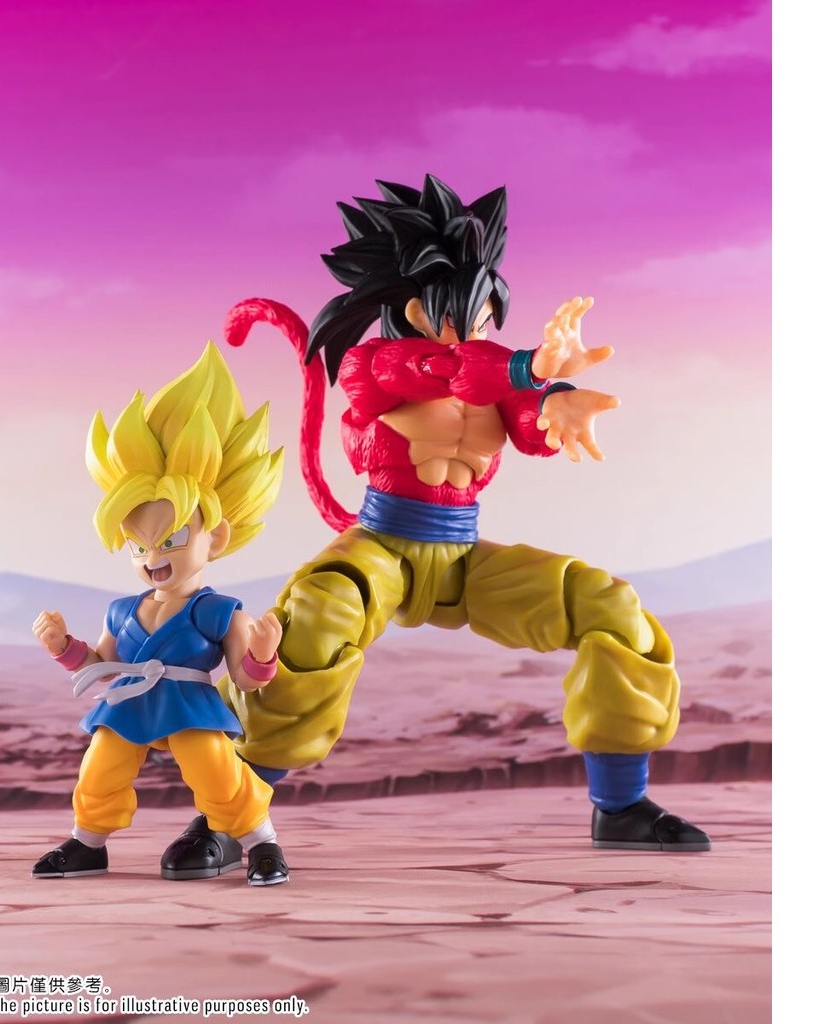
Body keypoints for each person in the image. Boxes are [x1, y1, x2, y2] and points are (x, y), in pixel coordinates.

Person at [166, 174, 710, 876]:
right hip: (378, 549)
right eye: (460, 311)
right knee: (312, 627)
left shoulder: (499, 374)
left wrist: (557, 402)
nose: (475, 327)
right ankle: (225, 818)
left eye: (485, 313)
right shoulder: (373, 364)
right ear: (414, 307)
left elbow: (525, 421)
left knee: (611, 608)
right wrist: (528, 367)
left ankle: (622, 805)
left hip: (462, 559)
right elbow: (442, 370)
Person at [31, 344, 290, 885]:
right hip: (129, 702)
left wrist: (263, 657)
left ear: (215, 537)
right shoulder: (123, 610)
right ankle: (87, 843)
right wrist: (63, 648)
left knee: (216, 774)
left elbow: (244, 678)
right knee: (99, 768)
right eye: (138, 545)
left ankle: (261, 843)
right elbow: (100, 666)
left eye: (170, 540)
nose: (153, 557)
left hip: (189, 704)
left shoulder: (218, 611)